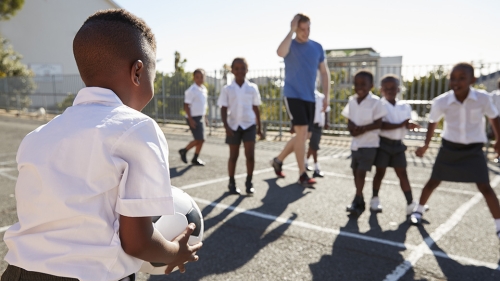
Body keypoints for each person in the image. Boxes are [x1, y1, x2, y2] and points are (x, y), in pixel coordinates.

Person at [1, 9, 202, 281]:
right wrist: (174, 252)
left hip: (17, 273)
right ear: (138, 72)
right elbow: (137, 242)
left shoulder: (38, 135)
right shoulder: (138, 127)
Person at [411, 63, 500, 241]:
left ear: (472, 80)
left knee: (484, 186)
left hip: (473, 150)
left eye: (462, 78)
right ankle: (418, 210)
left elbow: (494, 117)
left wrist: (499, 140)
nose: (456, 82)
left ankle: (498, 225)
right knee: (433, 181)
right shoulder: (442, 101)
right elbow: (433, 122)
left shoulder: (482, 99)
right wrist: (426, 145)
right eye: (453, 78)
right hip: (450, 148)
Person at [271, 13, 331, 187]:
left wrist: (326, 96)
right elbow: (280, 52)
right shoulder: (290, 45)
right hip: (293, 94)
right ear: (297, 28)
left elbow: (324, 73)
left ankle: (278, 159)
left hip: (310, 96)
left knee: (304, 135)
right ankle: (302, 173)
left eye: (308, 28)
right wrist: (291, 31)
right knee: (303, 132)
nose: (306, 32)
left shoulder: (317, 47)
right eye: (302, 29)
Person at [371, 74, 421, 214]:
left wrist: (410, 125)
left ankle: (410, 203)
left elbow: (408, 122)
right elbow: (381, 125)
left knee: (402, 174)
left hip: (398, 145)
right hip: (383, 144)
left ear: (398, 89)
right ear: (381, 90)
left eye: (393, 88)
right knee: (380, 172)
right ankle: (374, 198)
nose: (389, 91)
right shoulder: (379, 105)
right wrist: (401, 124)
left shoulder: (404, 106)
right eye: (386, 88)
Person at [341, 70, 387, 216]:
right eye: (356, 84)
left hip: (369, 144)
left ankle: (357, 199)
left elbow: (379, 123)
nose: (359, 87)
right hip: (356, 144)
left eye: (363, 84)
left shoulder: (376, 102)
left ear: (371, 86)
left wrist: (363, 129)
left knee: (361, 172)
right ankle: (359, 200)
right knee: (355, 173)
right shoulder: (352, 101)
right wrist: (352, 130)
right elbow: (349, 120)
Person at [217, 58, 262, 196]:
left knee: (250, 155)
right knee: (233, 156)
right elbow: (223, 109)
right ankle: (232, 182)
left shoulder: (252, 88)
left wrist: (259, 127)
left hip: (249, 125)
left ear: (246, 70)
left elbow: (255, 108)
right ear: (232, 70)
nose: (239, 71)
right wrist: (226, 126)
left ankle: (249, 182)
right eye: (236, 68)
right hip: (233, 126)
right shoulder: (227, 89)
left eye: (242, 68)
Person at [179, 69, 208, 166]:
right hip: (193, 117)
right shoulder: (191, 91)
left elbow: (203, 105)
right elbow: (186, 106)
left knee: (202, 139)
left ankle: (195, 158)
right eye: (197, 77)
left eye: (202, 77)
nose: (200, 79)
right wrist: (190, 120)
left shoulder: (204, 89)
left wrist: (205, 118)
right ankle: (184, 150)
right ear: (194, 78)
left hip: (201, 117)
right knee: (199, 138)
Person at [305, 90, 330, 178]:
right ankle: (316, 168)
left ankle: (305, 162)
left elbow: (326, 110)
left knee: (312, 146)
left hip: (318, 125)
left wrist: (326, 121)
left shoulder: (321, 97)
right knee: (314, 146)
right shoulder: (307, 95)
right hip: (310, 125)